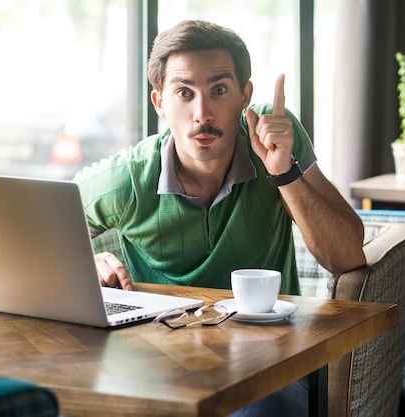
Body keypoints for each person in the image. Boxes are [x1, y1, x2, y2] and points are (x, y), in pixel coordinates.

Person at [74, 19, 366, 416]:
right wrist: (83, 263)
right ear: (159, 102)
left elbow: (347, 256)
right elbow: (27, 238)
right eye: (183, 92)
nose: (202, 113)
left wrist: (282, 172)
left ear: (244, 95)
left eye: (219, 90)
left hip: (270, 365)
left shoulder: (274, 133)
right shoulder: (125, 179)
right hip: (157, 367)